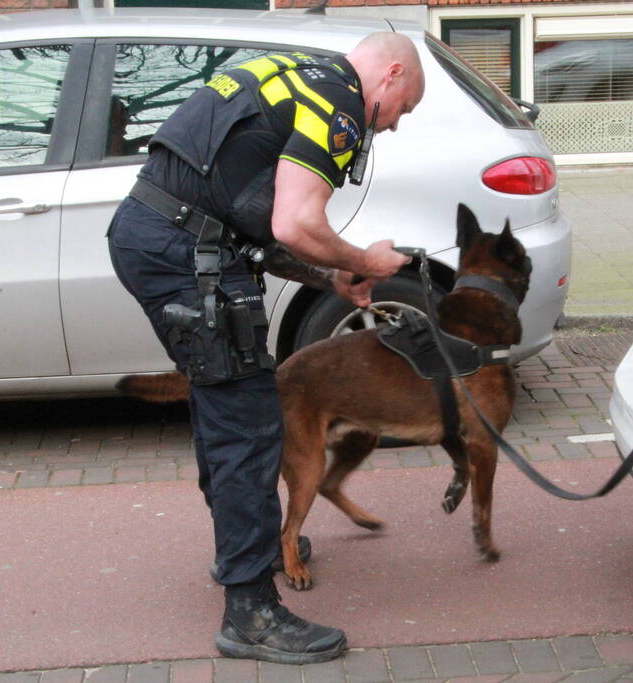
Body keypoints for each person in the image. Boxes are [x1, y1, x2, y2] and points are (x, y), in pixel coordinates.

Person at [107, 32, 424, 665]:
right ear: (389, 76)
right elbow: (295, 224)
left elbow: (247, 216)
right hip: (184, 257)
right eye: (401, 111)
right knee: (248, 429)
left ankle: (240, 551)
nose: (390, 127)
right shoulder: (337, 102)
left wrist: (332, 277)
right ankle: (250, 610)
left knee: (225, 408)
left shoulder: (290, 73)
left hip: (164, 240)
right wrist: (364, 259)